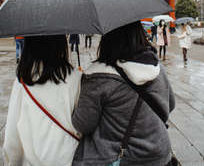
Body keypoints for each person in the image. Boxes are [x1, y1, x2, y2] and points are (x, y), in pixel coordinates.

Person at [72, 21, 176, 166]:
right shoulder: (157, 68)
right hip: (159, 155)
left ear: (108, 38)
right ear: (139, 34)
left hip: (118, 157)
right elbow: (170, 105)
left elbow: (84, 125)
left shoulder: (98, 77)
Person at [3, 35, 82, 165]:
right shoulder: (76, 78)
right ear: (60, 43)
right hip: (68, 160)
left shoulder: (22, 83)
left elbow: (12, 138)